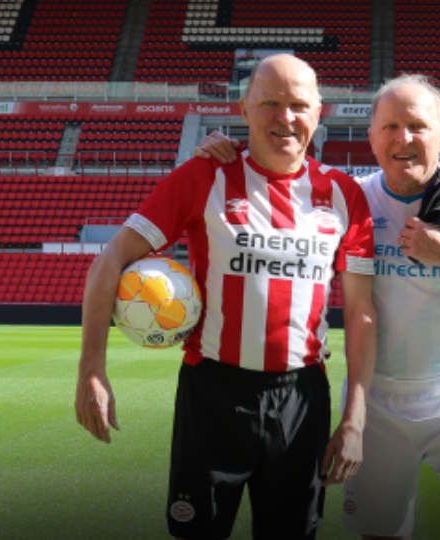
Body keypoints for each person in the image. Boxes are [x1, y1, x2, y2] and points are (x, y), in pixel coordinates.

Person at [195, 74, 440, 540]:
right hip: (376, 404)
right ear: (371, 138)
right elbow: (273, 182)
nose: (404, 138)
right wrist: (230, 150)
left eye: (417, 126)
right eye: (391, 126)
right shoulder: (349, 198)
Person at [75, 54, 378, 540]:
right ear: (243, 108)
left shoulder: (343, 194)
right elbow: (110, 260)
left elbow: (362, 313)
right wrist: (92, 368)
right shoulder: (203, 176)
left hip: (302, 398)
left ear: (320, 112)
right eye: (270, 103)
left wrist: (355, 421)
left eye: (299, 105)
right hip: (212, 392)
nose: (286, 117)